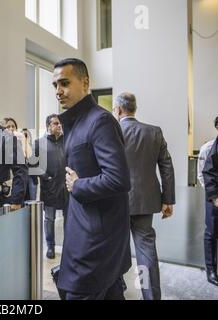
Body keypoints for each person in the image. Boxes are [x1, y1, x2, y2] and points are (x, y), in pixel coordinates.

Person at [55, 58, 131, 300]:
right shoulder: (77, 122)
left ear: (85, 83)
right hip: (85, 229)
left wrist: (78, 185)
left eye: (65, 83)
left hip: (95, 241)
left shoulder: (100, 121)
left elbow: (119, 178)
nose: (58, 91)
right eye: (55, 85)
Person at [113, 92, 175, 300]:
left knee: (115, 250)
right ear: (134, 109)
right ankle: (150, 296)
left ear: (119, 110)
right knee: (145, 253)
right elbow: (166, 167)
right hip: (145, 202)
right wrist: (167, 200)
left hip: (115, 202)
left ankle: (117, 290)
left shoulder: (112, 132)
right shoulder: (154, 132)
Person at [34, 114, 68, 260]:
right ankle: (50, 247)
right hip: (49, 187)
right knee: (49, 219)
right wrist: (45, 177)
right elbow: (33, 164)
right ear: (48, 126)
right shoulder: (39, 143)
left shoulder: (67, 141)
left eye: (60, 123)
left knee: (69, 218)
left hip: (67, 186)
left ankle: (69, 247)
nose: (59, 126)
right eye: (55, 123)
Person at [202, 117, 218, 286]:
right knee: (212, 233)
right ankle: (211, 270)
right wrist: (214, 197)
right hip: (214, 197)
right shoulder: (209, 148)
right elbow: (205, 173)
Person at [198, 117, 218, 188]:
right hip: (213, 194)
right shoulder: (206, 149)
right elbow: (201, 174)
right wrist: (213, 196)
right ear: (217, 127)